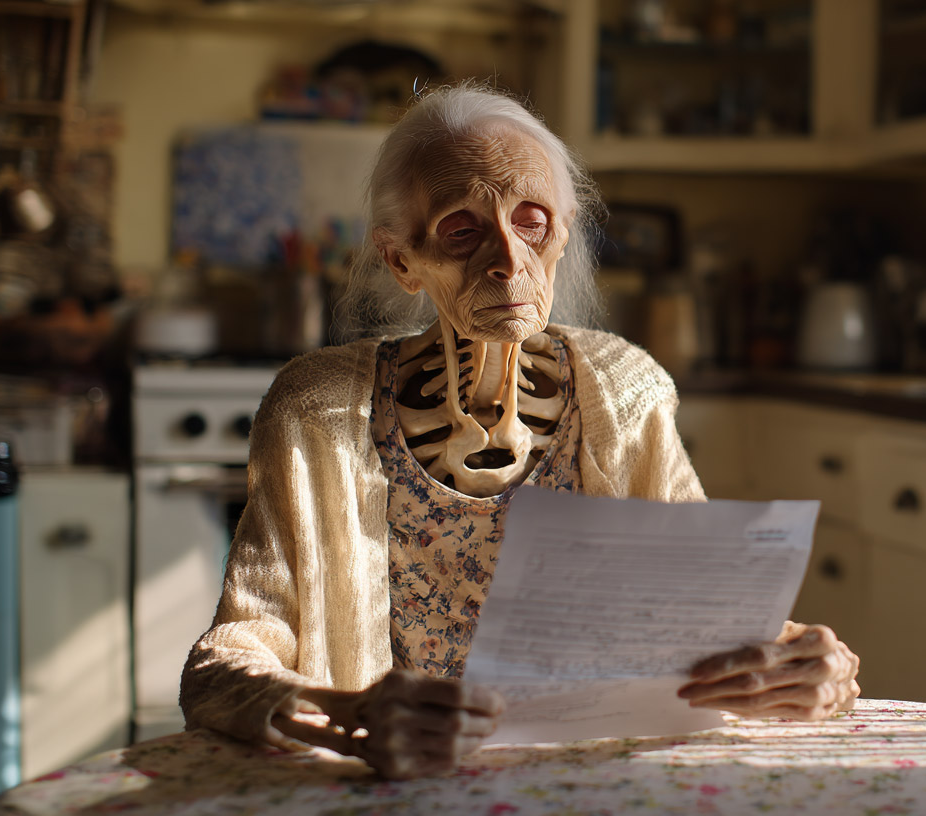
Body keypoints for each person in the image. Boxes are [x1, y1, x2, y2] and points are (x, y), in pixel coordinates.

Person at [179, 84, 860, 780]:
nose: (507, 258)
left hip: (598, 783)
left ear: (564, 233)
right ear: (402, 260)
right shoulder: (316, 411)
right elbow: (221, 664)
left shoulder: (625, 391)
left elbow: (711, 622)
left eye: (531, 220)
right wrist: (347, 718)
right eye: (462, 231)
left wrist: (809, 663)